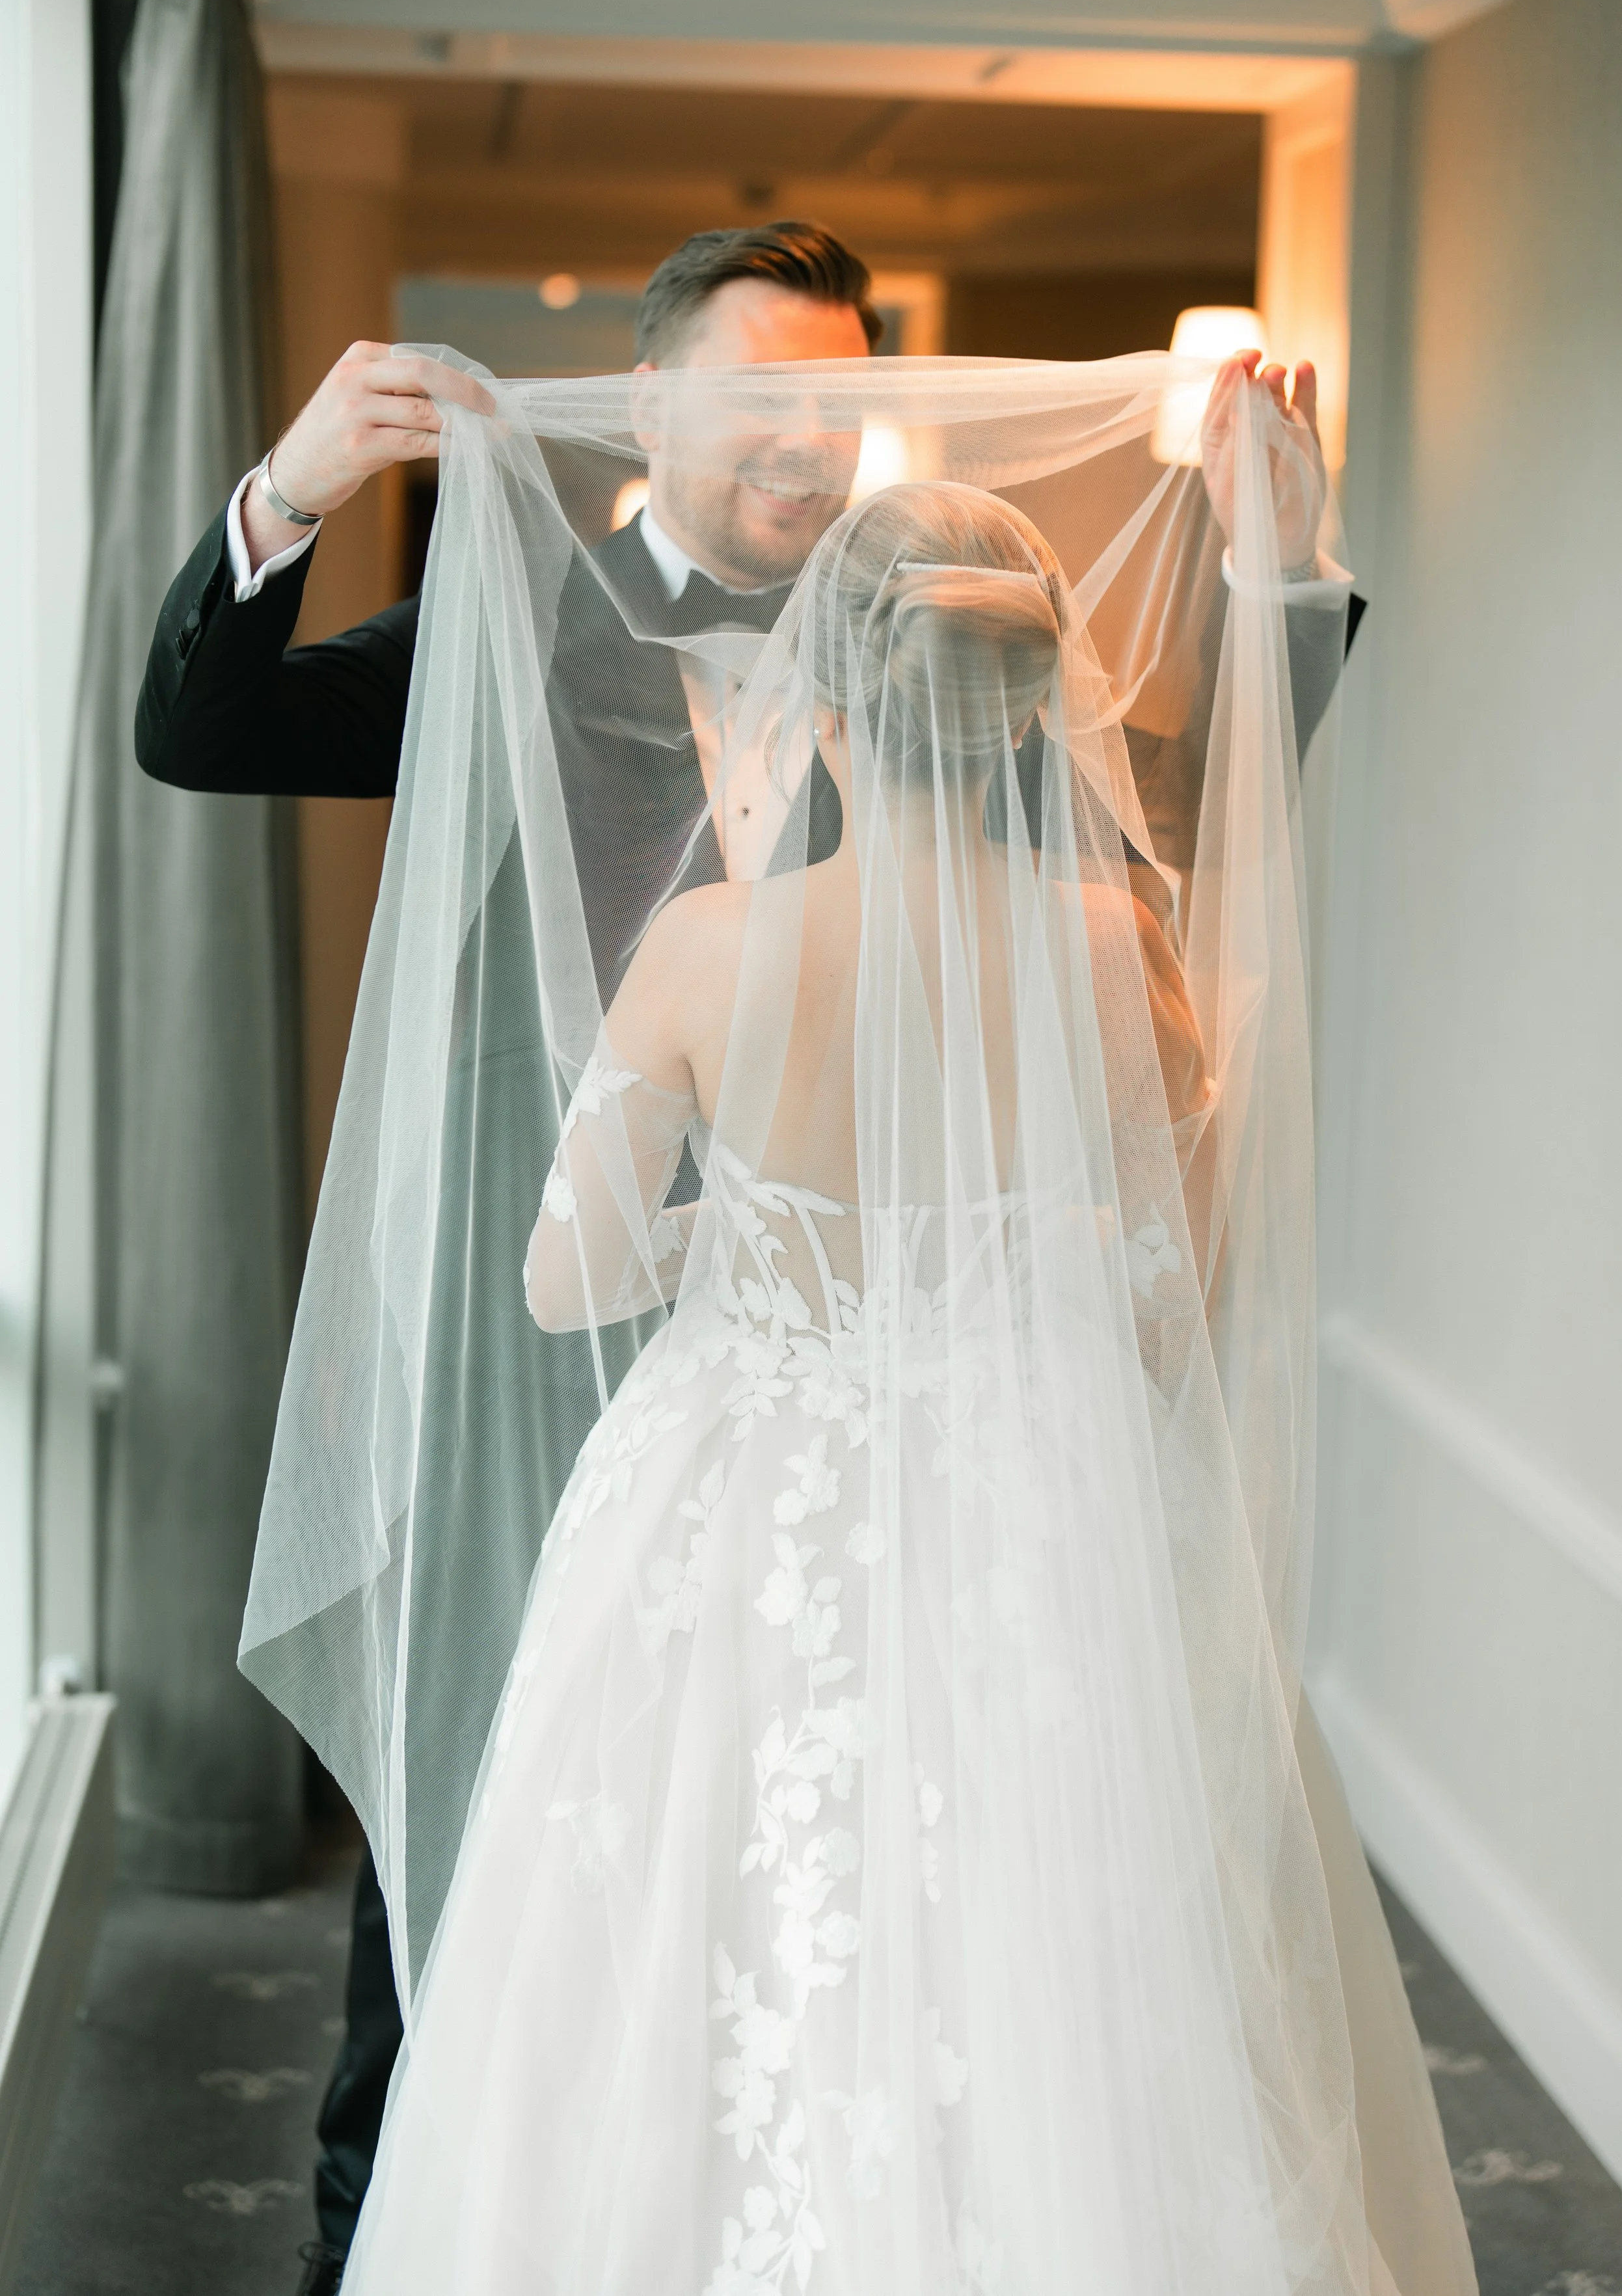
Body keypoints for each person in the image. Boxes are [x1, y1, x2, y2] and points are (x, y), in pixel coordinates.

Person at [136, 220, 1357, 2295]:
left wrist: (1281, 581)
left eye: (832, 392)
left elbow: (1182, 796)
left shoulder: (945, 662)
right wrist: (295, 490)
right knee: (489, 1962)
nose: (802, 431)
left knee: (914, 1939)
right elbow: (201, 730)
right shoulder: (509, 631)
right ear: (654, 402)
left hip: (877, 1440)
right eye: (756, 389)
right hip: (555, 1417)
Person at [325, 462, 1472, 2295]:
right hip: (1039, 1483)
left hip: (739, 1491)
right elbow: (1177, 1304)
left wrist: (748, 1235)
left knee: (709, 1940)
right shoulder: (1117, 950)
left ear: (830, 708)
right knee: (1044, 1963)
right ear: (1031, 708)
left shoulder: (708, 952)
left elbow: (564, 1284)